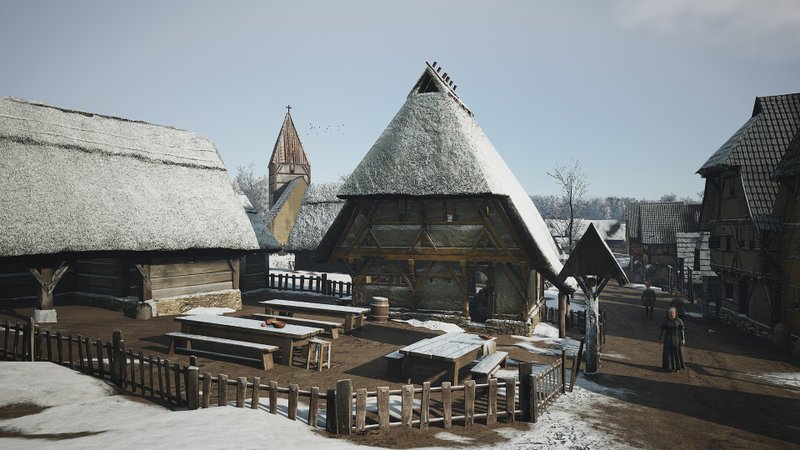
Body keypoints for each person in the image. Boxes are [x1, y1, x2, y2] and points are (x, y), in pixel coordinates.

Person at [658, 307, 686, 372]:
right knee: (667, 354)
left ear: (675, 314)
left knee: (676, 353)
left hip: (676, 340)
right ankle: (668, 367)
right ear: (667, 314)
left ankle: (677, 367)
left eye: (672, 313)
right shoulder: (665, 321)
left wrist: (683, 339)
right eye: (669, 313)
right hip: (667, 340)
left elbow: (682, 331)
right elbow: (661, 331)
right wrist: (660, 339)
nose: (671, 314)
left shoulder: (679, 321)